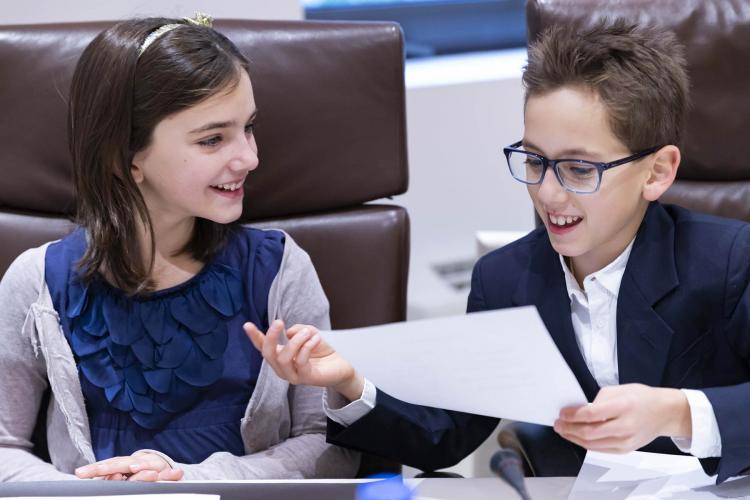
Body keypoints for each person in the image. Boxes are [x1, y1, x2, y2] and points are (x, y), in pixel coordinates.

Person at [247, 19, 750, 483]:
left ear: (657, 172)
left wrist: (678, 414)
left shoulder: (728, 261)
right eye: (534, 160)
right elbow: (446, 434)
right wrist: (350, 382)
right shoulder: (507, 278)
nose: (548, 194)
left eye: (579, 170)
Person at [0, 15, 358, 481]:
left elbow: (329, 447)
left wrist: (187, 478)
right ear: (124, 157)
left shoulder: (279, 270)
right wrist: (92, 492)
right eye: (212, 139)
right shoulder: (37, 283)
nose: (250, 158)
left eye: (248, 127)